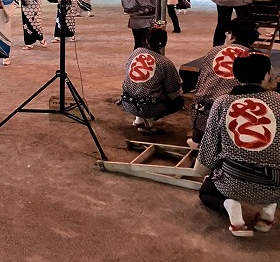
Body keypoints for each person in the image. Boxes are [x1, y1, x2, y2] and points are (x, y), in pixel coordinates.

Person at [196, 52, 280, 237]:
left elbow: (209, 144)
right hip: (276, 183)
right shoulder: (278, 101)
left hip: (233, 182)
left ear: (235, 75)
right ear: (266, 75)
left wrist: (204, 169)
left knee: (206, 192)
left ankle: (229, 204)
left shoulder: (222, 102)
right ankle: (269, 211)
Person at [187, 19, 259, 149]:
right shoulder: (256, 57)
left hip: (205, 114)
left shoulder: (214, 51)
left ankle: (197, 140)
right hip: (237, 118)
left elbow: (201, 81)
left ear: (231, 35)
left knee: (204, 99)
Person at [120, 28, 184, 133]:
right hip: (149, 107)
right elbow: (174, 92)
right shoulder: (166, 63)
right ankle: (149, 119)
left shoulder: (136, 52)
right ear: (164, 44)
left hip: (127, 102)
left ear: (147, 40)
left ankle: (139, 119)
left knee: (141, 87)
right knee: (178, 101)